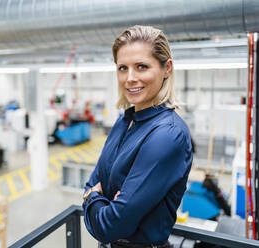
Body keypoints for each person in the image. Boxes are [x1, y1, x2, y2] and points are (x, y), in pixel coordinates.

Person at [82, 25, 193, 248]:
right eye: (123, 68)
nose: (130, 78)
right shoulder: (124, 121)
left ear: (166, 68)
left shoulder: (167, 134)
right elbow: (91, 183)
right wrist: (99, 196)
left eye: (141, 66)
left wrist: (92, 198)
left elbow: (109, 226)